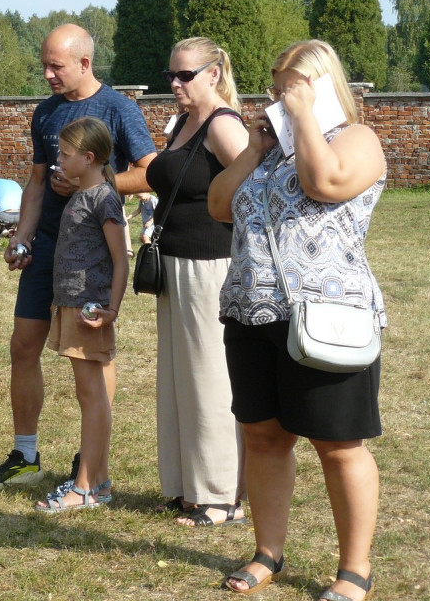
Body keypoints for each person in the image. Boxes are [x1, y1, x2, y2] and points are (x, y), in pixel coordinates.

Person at [208, 40, 386, 600]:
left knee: (338, 442)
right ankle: (268, 551)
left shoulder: (358, 140)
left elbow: (325, 183)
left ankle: (354, 569)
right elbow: (218, 204)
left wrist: (306, 116)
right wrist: (256, 148)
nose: (277, 96)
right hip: (251, 311)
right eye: (275, 86)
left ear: (319, 84)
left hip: (328, 316)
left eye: (288, 86)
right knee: (263, 436)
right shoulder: (272, 150)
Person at [0, 23, 156, 489]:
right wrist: (23, 239)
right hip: (49, 248)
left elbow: (150, 172)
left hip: (92, 256)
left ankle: (90, 462)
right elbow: (36, 182)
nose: (47, 74)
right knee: (23, 345)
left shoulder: (119, 109)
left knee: (92, 358)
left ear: (84, 62)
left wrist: (91, 184)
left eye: (55, 66)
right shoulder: (46, 113)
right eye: (44, 65)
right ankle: (25, 454)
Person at [145, 37, 250, 526]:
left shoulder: (223, 124)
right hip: (176, 265)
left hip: (211, 266)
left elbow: (258, 185)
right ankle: (187, 486)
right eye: (171, 75)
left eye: (184, 75)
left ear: (213, 74)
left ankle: (220, 494)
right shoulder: (184, 124)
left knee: (209, 378)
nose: (175, 83)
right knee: (179, 378)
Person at [34, 117, 128, 512]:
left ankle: (85, 487)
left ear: (88, 158)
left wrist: (112, 311)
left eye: (65, 153)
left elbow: (121, 260)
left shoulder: (104, 198)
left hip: (90, 310)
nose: (59, 158)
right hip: (73, 305)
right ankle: (98, 482)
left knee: (93, 398)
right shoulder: (83, 193)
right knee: (89, 396)